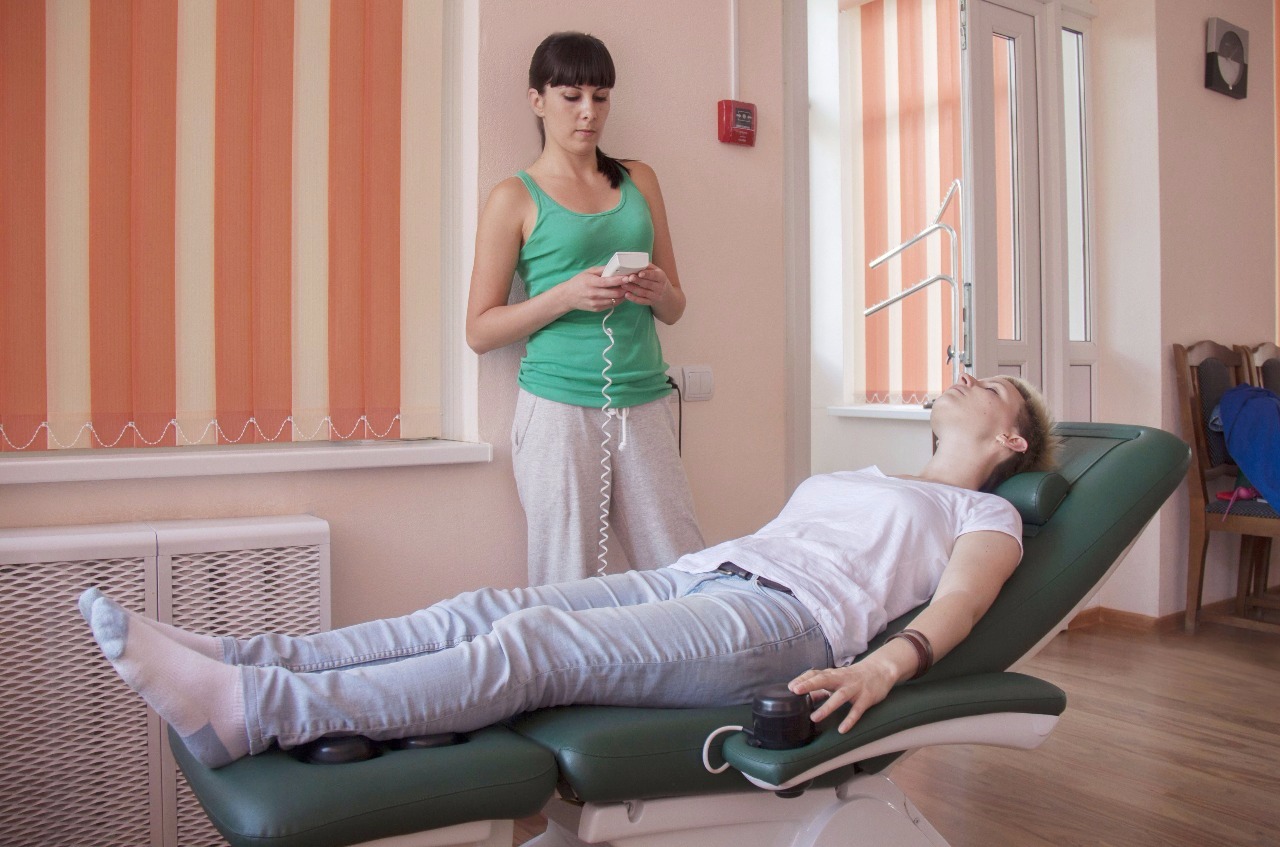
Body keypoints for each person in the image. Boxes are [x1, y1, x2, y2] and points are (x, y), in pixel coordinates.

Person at [80, 373, 1056, 769]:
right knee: (483, 606)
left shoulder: (986, 513)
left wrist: (884, 665)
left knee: (529, 645)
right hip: (704, 575)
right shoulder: (869, 474)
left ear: (1011, 438)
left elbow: (962, 604)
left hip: (780, 627)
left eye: (995, 385)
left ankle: (256, 710)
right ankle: (247, 657)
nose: (968, 374)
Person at [465, 31, 704, 585]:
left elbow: (675, 308)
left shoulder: (640, 180)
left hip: (644, 399)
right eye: (571, 96)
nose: (588, 112)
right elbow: (479, 331)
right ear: (537, 100)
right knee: (564, 574)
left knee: (682, 567)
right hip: (556, 409)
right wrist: (565, 296)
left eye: (601, 97)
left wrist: (657, 290)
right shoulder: (513, 198)